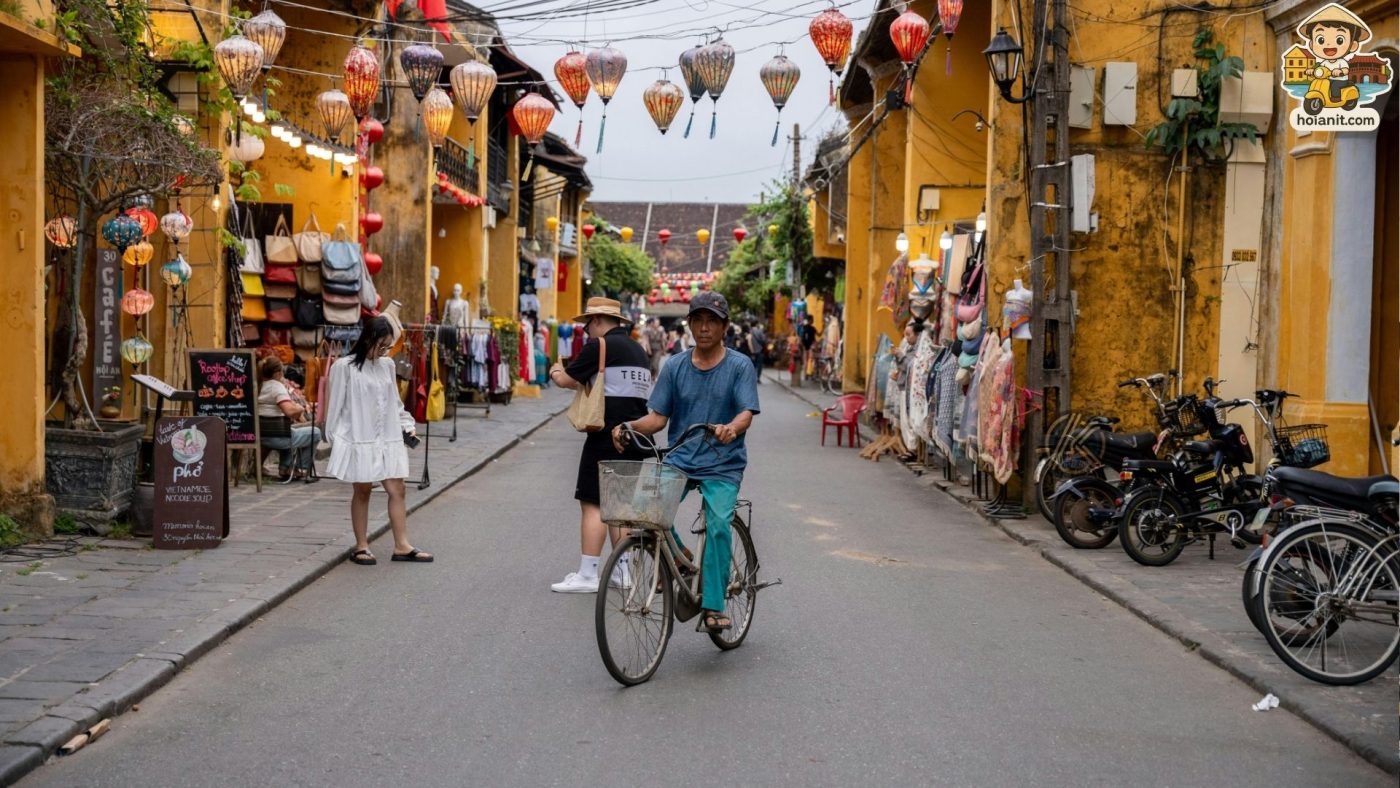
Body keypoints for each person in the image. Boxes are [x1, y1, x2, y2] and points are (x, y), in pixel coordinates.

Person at [611, 291, 760, 633]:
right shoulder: (675, 366)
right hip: (680, 456)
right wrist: (627, 426)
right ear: (690, 324)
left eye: (712, 322)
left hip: (723, 462)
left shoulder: (739, 365)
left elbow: (746, 413)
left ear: (724, 327)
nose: (705, 328)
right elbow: (657, 419)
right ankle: (680, 558)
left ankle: (714, 605)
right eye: (699, 321)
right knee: (643, 508)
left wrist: (732, 428)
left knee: (718, 523)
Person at [547, 297, 653, 593]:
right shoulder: (638, 350)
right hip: (635, 436)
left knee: (593, 502)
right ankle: (623, 571)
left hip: (605, 436)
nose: (587, 331)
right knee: (620, 505)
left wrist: (555, 371)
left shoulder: (599, 346)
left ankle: (588, 574)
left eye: (587, 326)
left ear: (596, 320)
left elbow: (567, 380)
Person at [324, 316, 433, 566]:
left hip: (388, 437)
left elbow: (394, 402)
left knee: (398, 488)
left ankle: (402, 545)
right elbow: (335, 407)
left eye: (387, 347)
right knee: (362, 490)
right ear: (368, 339)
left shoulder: (387, 366)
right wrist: (337, 440)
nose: (383, 351)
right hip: (359, 438)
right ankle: (361, 546)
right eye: (381, 346)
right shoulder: (344, 367)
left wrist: (407, 426)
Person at [257, 355, 322, 483]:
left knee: (292, 430)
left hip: (262, 436)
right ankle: (300, 468)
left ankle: (284, 468)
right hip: (277, 438)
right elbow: (289, 411)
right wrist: (300, 408)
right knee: (315, 432)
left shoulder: (258, 386)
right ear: (278, 373)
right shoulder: (276, 387)